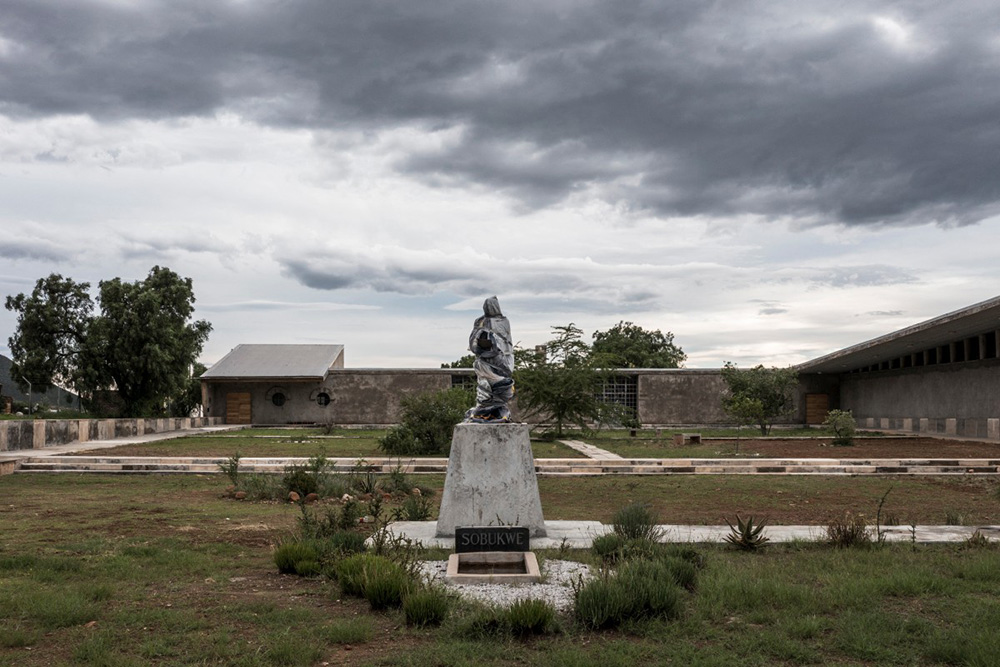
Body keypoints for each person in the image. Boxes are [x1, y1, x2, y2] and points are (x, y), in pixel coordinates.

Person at [465, 296, 515, 422]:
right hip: (484, 358)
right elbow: (473, 338)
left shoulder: (504, 321)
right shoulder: (480, 321)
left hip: (500, 359)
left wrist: (494, 344)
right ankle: (484, 408)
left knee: (500, 383)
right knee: (485, 383)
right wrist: (482, 338)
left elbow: (506, 341)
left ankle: (497, 410)